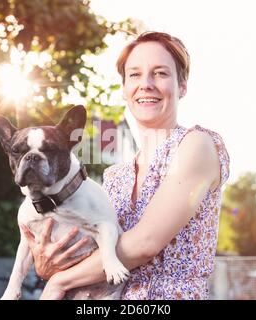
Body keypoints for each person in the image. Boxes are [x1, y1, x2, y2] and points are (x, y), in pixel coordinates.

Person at [21, 31, 230, 300]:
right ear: (124, 88)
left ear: (183, 85)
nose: (146, 84)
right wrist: (46, 263)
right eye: (134, 74)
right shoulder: (115, 176)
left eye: (160, 73)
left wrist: (58, 282)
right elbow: (88, 253)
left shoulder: (196, 145)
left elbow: (145, 243)